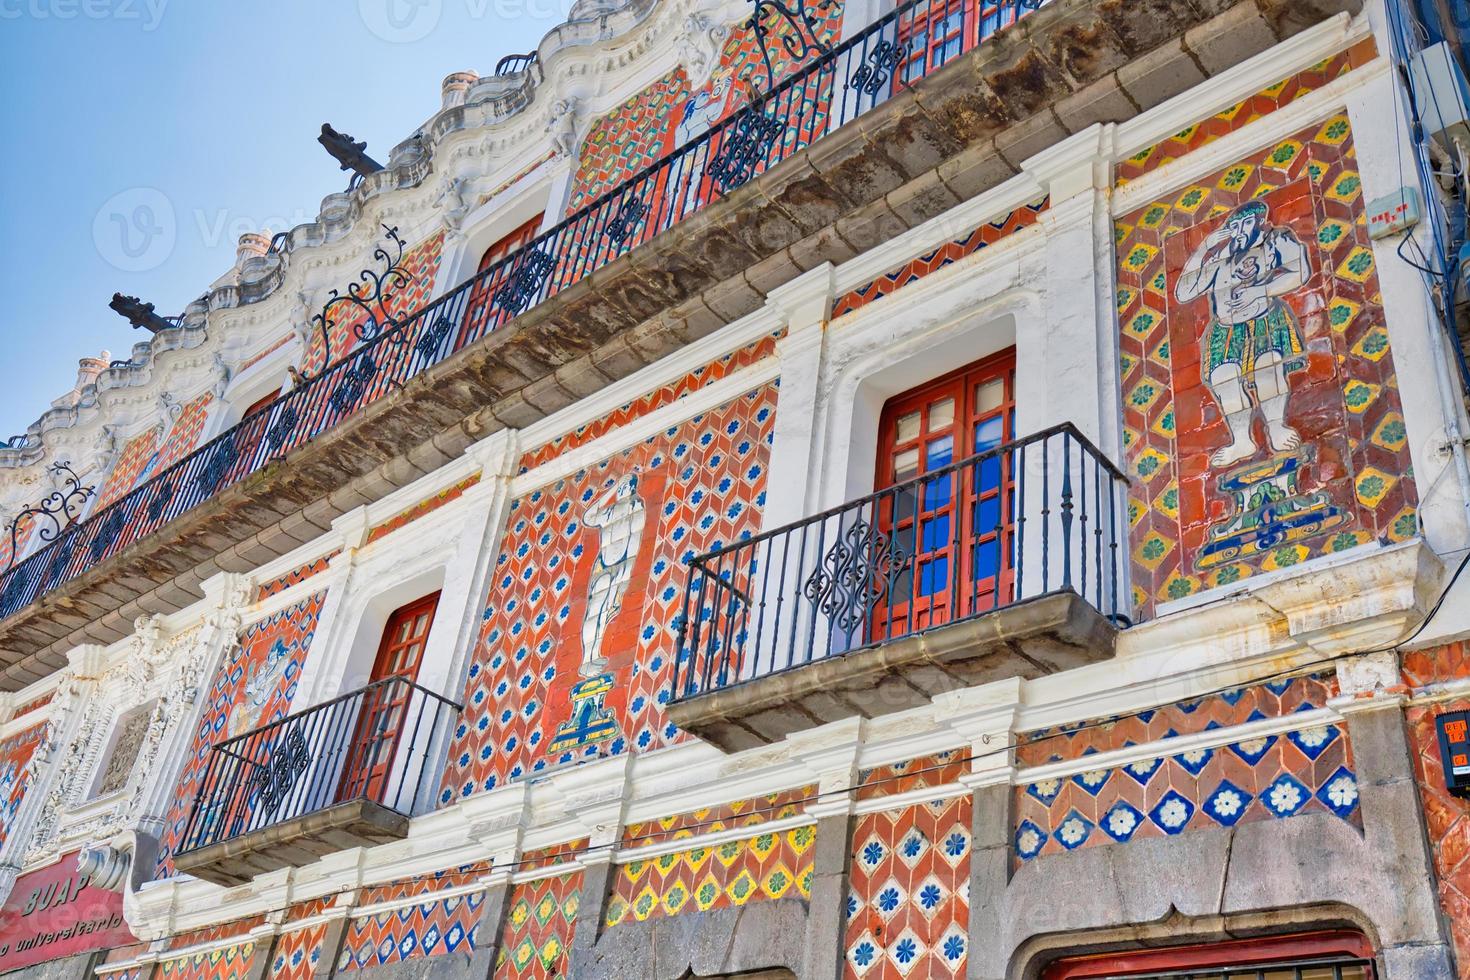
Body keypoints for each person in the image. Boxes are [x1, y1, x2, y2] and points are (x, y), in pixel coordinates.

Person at [1173, 200, 1312, 466]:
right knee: (1224, 380)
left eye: (1246, 224)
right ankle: (1241, 440)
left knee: (1268, 370)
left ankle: (1276, 427)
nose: (1239, 231)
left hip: (1263, 320)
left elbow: (1301, 270)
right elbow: (1184, 292)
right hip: (1225, 330)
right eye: (1234, 226)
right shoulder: (1219, 257)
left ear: (1259, 223)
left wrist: (1260, 291)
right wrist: (1204, 247)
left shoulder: (1274, 241)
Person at [580, 472, 645, 675]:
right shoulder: (608, 512)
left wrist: (625, 575)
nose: (622, 490)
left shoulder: (636, 506)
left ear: (632, 488)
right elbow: (588, 517)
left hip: (620, 567)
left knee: (605, 612)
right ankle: (586, 659)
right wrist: (609, 492)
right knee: (593, 612)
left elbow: (634, 542)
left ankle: (594, 655)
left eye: (626, 486)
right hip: (603, 566)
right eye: (621, 487)